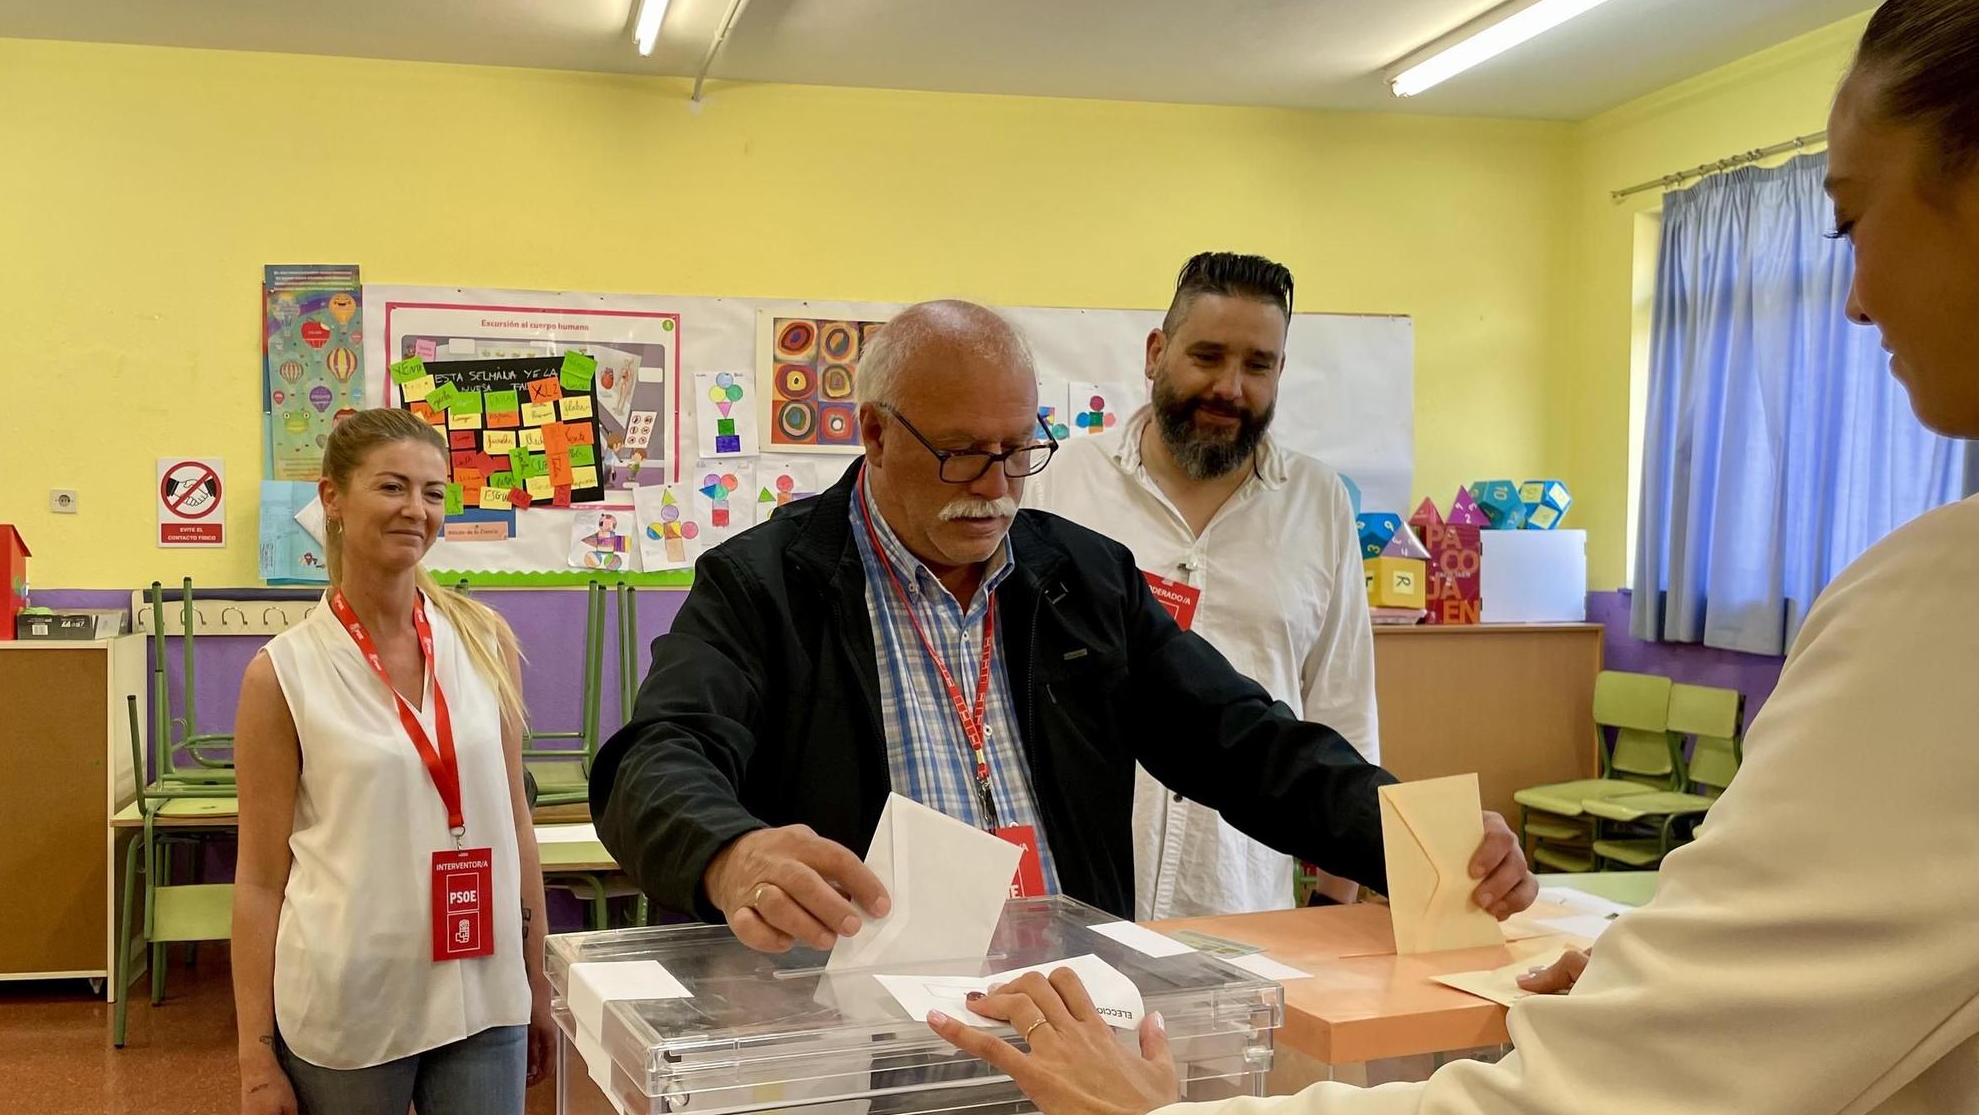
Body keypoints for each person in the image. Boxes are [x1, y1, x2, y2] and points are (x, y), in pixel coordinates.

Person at [928, 0, 1979, 1115]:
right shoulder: (1061, 506)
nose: (1854, 298)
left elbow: (1290, 728)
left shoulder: (1944, 610)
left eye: (1851, 218)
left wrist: (1392, 849)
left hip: (1262, 892)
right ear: (1155, 353)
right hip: (1109, 889)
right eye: (1207, 356)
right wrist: (1669, 991)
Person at [590, 299, 1535, 953]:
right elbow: (656, 757)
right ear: (875, 435)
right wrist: (730, 852)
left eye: (1018, 452)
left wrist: (1414, 832)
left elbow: (1244, 741)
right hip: (837, 1034)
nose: (998, 489)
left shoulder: (1080, 579)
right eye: (963, 456)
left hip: (1059, 1024)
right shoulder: (765, 584)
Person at [233, 407, 555, 1115]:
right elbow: (260, 880)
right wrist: (254, 1053)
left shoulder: (486, 643)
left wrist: (535, 976)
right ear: (332, 499)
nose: (417, 508)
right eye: (392, 486)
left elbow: (514, 824)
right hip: (348, 1007)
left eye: (433, 491)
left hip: (480, 992)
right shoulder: (283, 674)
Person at [1027, 251, 1377, 917]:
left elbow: (1343, 707)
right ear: (1156, 352)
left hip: (1243, 901)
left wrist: (1336, 896)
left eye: (1257, 364)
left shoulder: (1318, 503)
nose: (1231, 387)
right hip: (1077, 896)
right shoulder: (1058, 486)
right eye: (1209, 356)